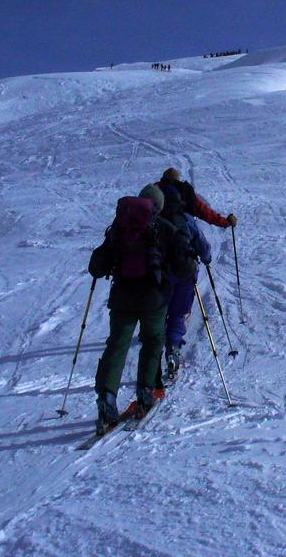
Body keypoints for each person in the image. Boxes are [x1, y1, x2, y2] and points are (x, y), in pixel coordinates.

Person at [88, 183, 191, 433]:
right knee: (154, 340)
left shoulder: (119, 227)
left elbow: (97, 266)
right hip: (154, 299)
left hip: (122, 298)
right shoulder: (165, 229)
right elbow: (184, 267)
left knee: (117, 345)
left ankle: (107, 399)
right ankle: (146, 391)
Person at [157, 182, 212, 378]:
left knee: (158, 314)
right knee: (178, 314)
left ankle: (153, 357)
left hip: (160, 276)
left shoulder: (154, 221)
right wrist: (206, 260)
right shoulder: (187, 220)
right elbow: (203, 247)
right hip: (185, 274)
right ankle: (173, 349)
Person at [156, 167, 238, 231]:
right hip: (180, 228)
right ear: (178, 179)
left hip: (155, 228)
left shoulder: (154, 189)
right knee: (204, 248)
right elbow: (204, 211)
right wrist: (225, 222)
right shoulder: (184, 191)